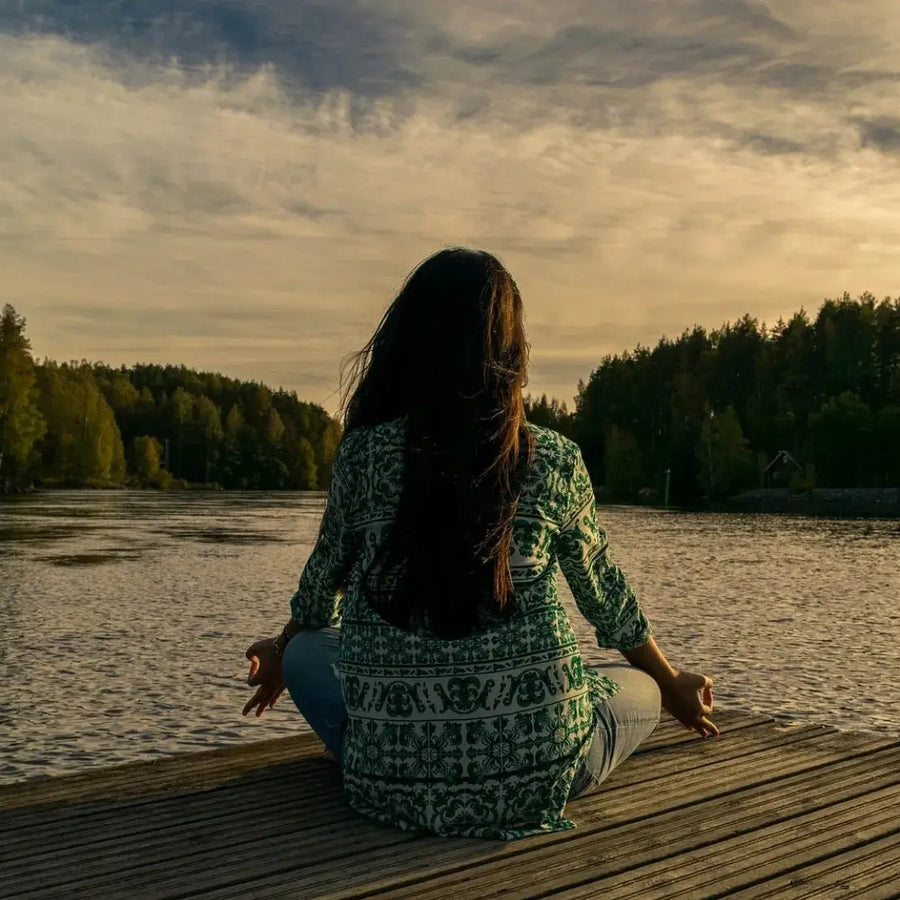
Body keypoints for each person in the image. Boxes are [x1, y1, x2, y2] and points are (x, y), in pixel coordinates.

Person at [242, 248, 717, 840]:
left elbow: (319, 593)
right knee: (639, 686)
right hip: (540, 774)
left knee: (311, 648)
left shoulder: (362, 455)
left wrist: (285, 647)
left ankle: (391, 751)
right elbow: (607, 602)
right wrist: (672, 683)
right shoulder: (554, 459)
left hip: (387, 785)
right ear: (511, 352)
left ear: (408, 343)